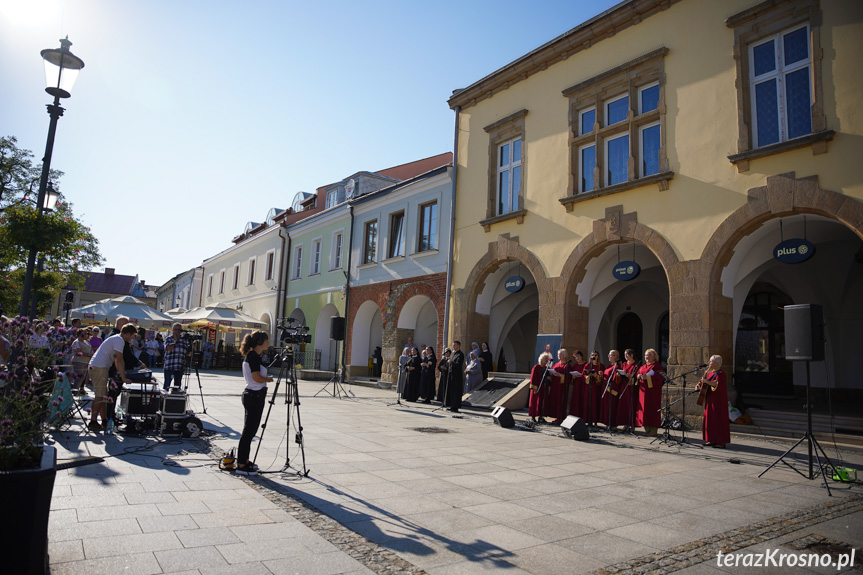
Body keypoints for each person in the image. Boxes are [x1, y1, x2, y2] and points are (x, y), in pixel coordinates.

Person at [236, 330, 274, 476]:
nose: (268, 343)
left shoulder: (253, 356)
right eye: (266, 340)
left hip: (253, 395)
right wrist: (268, 379)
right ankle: (241, 463)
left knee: (250, 430)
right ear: (259, 342)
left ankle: (244, 460)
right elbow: (257, 377)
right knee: (249, 431)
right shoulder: (253, 357)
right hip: (254, 395)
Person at [87, 324, 137, 431]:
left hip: (100, 366)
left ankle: (104, 420)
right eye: (132, 336)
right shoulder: (119, 340)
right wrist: (123, 378)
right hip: (99, 367)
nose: (132, 338)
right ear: (128, 334)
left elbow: (115, 360)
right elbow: (120, 359)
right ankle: (93, 422)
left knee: (103, 396)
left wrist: (119, 372)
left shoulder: (116, 339)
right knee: (99, 396)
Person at [696, 354, 730, 448]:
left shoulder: (721, 374)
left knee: (717, 420)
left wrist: (707, 382)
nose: (709, 363)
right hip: (709, 399)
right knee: (709, 420)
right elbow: (703, 382)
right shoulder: (709, 373)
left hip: (718, 401)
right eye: (710, 361)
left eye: (711, 361)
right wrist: (699, 385)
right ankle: (711, 439)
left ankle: (720, 441)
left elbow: (717, 386)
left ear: (717, 363)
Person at [636, 349, 665, 436]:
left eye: (649, 355)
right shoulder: (643, 366)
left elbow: (659, 378)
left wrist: (647, 378)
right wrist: (638, 376)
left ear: (654, 357)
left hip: (653, 393)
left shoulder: (657, 366)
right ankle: (647, 429)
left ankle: (653, 430)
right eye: (646, 355)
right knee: (644, 410)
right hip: (643, 392)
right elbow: (638, 374)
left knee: (652, 410)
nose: (647, 357)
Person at [601, 350, 626, 429]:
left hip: (612, 391)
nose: (609, 356)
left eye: (611, 355)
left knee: (612, 407)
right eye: (609, 355)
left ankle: (612, 424)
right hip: (606, 389)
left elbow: (617, 380)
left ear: (616, 356)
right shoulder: (609, 366)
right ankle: (607, 423)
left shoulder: (618, 366)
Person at [163, 323, 192, 390]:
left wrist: (190, 343)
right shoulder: (168, 339)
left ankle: (175, 399)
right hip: (169, 366)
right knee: (167, 384)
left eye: (179, 330)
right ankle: (163, 400)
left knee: (177, 386)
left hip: (179, 366)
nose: (177, 331)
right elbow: (169, 349)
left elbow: (189, 354)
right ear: (172, 330)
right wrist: (175, 340)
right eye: (175, 329)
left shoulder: (184, 340)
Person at [619, 349, 640, 431]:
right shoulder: (624, 364)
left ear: (631, 355)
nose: (626, 356)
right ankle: (625, 423)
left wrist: (629, 376)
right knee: (624, 406)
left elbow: (636, 377)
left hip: (631, 388)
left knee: (631, 405)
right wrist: (619, 374)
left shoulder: (636, 365)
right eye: (625, 355)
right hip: (624, 387)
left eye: (627, 354)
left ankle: (632, 425)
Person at [529, 351, 553, 423]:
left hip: (544, 387)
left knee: (542, 403)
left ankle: (540, 417)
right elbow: (533, 378)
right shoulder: (536, 367)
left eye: (547, 359)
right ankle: (533, 417)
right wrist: (534, 388)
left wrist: (549, 378)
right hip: (537, 388)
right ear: (541, 359)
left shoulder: (546, 368)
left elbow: (548, 379)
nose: (546, 360)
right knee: (535, 402)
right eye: (545, 358)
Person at [581, 351, 604, 425]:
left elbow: (603, 378)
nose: (594, 356)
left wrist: (597, 376)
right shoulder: (587, 365)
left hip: (597, 387)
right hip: (589, 386)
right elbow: (583, 375)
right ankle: (588, 420)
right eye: (592, 355)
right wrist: (588, 376)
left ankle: (596, 421)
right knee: (588, 402)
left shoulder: (601, 366)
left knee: (595, 403)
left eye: (595, 355)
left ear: (598, 357)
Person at [70, 328, 93, 394]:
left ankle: (79, 390)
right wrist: (89, 355)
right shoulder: (76, 342)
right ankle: (75, 391)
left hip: (86, 362)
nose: (86, 335)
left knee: (82, 378)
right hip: (78, 361)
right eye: (85, 333)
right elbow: (78, 352)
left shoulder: (86, 342)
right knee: (78, 378)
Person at [446, 341, 464, 412]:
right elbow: (449, 363)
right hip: (451, 374)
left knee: (456, 391)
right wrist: (448, 363)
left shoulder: (460, 354)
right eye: (453, 345)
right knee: (451, 390)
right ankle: (451, 405)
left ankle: (455, 406)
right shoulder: (453, 354)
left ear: (459, 346)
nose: (453, 346)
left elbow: (458, 364)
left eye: (455, 345)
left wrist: (451, 362)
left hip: (457, 376)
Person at [567, 350, 586, 418]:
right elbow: (571, 377)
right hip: (576, 385)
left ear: (581, 357)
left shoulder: (585, 365)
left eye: (578, 356)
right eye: (576, 357)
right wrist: (573, 377)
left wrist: (582, 375)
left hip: (583, 385)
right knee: (576, 400)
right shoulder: (575, 366)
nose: (577, 358)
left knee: (582, 400)